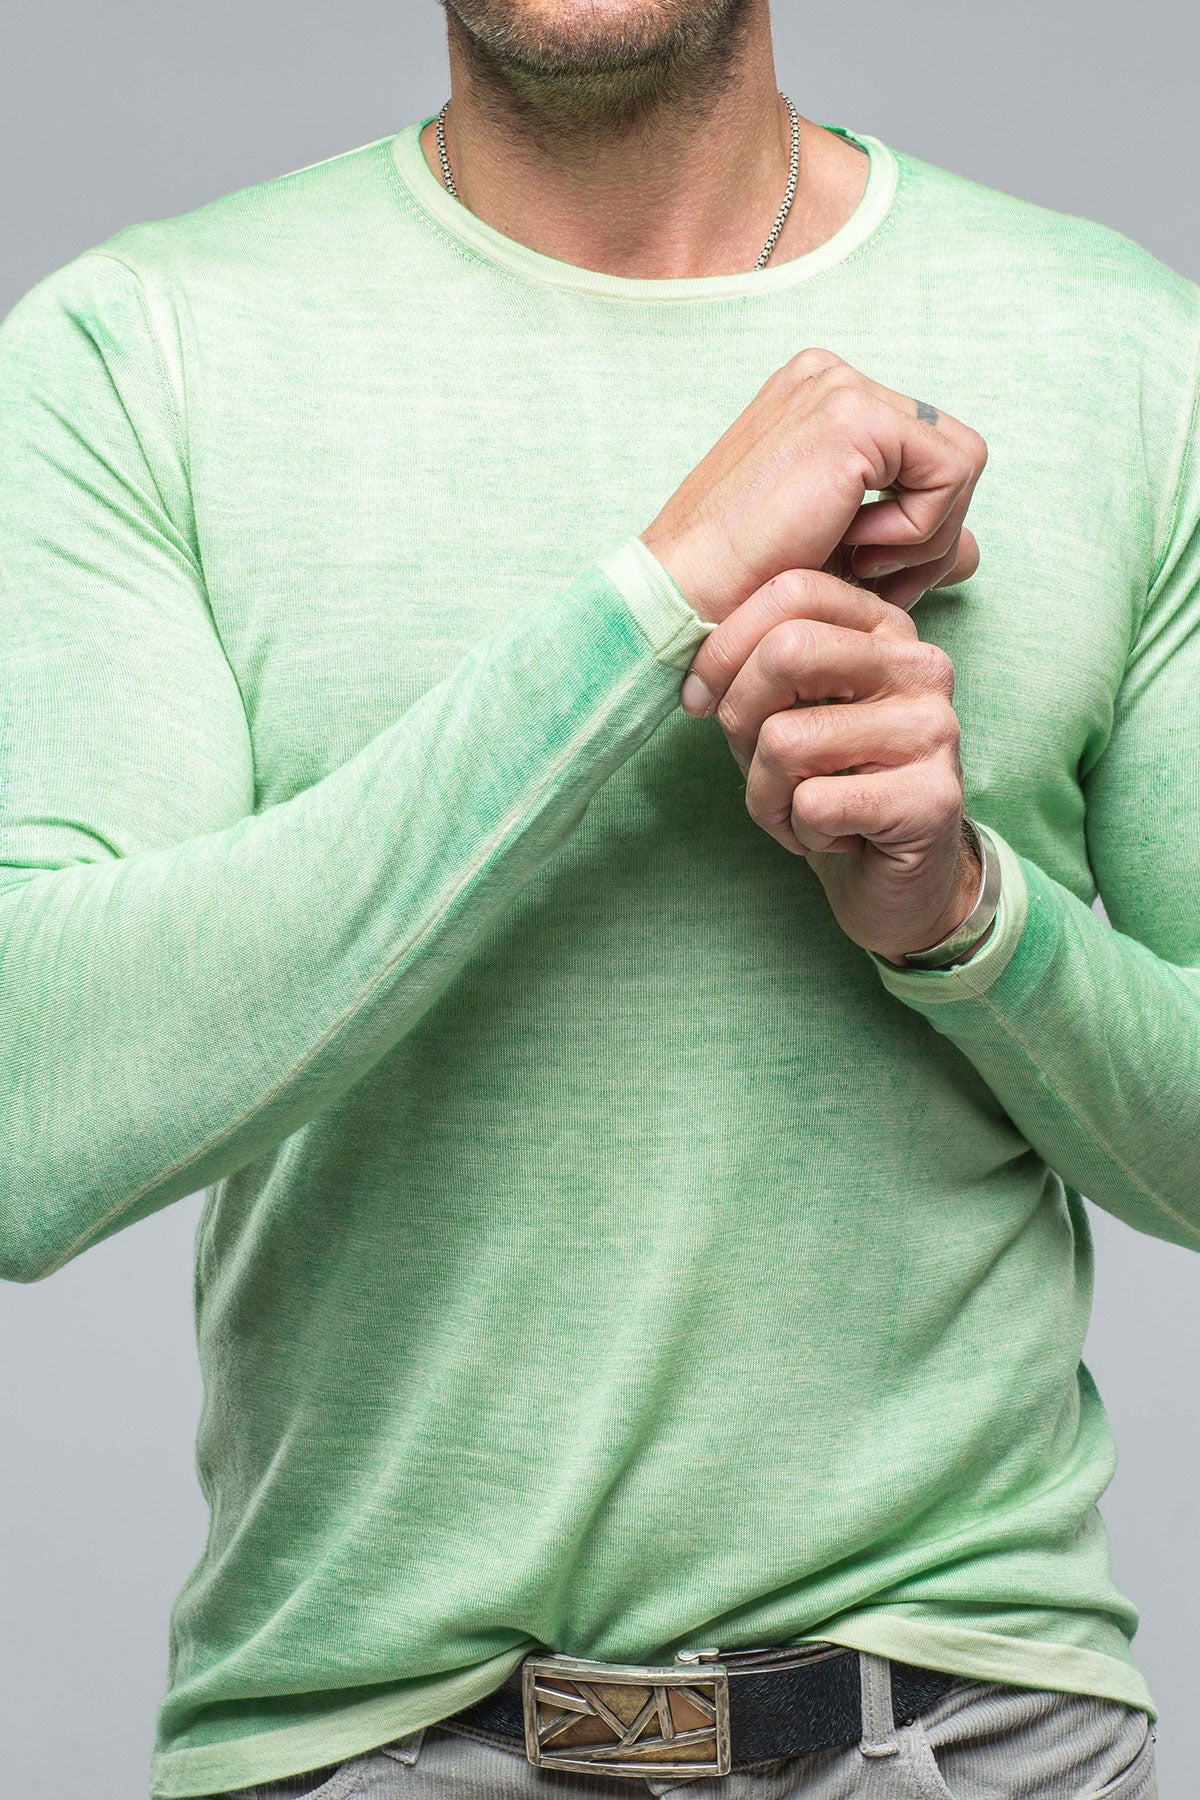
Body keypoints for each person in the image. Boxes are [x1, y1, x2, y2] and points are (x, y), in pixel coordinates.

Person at [1, 0, 1194, 1793]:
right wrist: (655, 599)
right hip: (360, 1740)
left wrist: (968, 921)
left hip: (970, 1729)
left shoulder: (1127, 357)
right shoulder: (141, 356)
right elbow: (31, 1115)